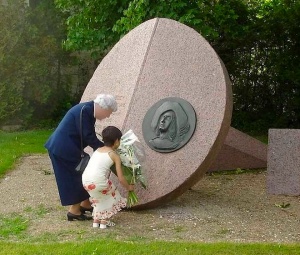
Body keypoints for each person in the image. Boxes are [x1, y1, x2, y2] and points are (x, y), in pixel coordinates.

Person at [45, 94, 118, 221]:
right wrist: (106, 149)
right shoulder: (85, 111)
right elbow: (88, 136)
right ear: (103, 108)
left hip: (66, 148)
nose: (108, 116)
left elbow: (87, 134)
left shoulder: (87, 110)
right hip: (63, 149)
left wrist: (103, 148)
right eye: (108, 113)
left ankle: (85, 204)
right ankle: (74, 211)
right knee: (76, 177)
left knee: (84, 172)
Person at [82, 126, 134, 229]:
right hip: (99, 182)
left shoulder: (97, 150)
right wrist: (129, 188)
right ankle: (104, 221)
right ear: (116, 141)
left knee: (98, 199)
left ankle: (96, 221)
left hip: (85, 181)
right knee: (112, 196)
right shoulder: (114, 155)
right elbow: (121, 178)